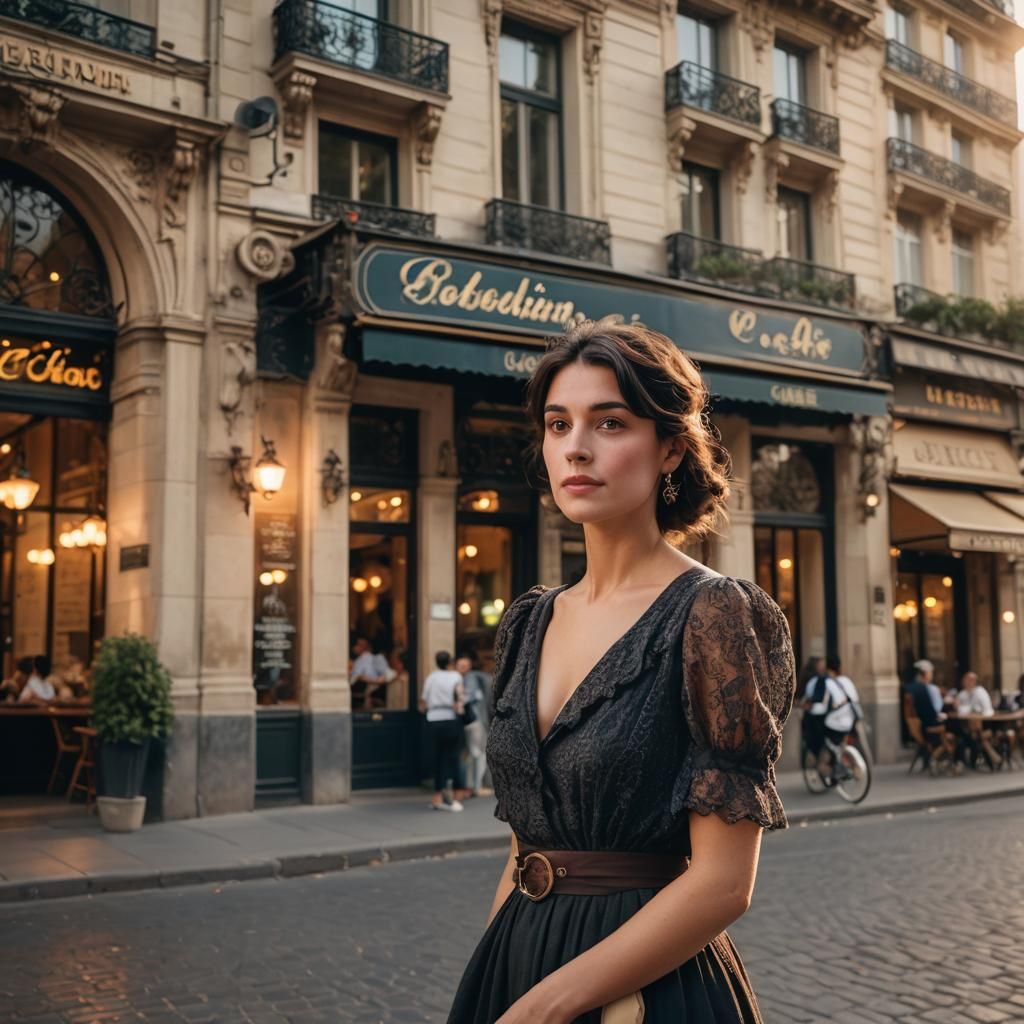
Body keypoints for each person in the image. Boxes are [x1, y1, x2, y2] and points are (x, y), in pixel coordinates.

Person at [449, 317, 796, 1022]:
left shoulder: (713, 615)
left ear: (670, 449)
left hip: (646, 988)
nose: (575, 448)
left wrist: (546, 1008)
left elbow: (725, 884)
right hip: (519, 962)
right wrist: (495, 971)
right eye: (557, 424)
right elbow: (524, 848)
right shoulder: (528, 621)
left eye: (610, 423)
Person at [419, 650, 466, 812]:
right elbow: (460, 700)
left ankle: (438, 796)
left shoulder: (431, 677)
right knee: (452, 756)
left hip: (433, 720)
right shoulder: (455, 677)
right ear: (450, 662)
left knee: (438, 757)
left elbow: (423, 703)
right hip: (450, 719)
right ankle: (453, 795)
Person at [455, 652, 492, 797]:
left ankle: (475, 786)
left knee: (476, 753)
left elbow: (469, 697)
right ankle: (472, 786)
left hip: (474, 720)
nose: (461, 668)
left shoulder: (469, 678)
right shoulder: (462, 679)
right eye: (459, 666)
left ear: (469, 667)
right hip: (472, 721)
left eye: (464, 666)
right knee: (474, 754)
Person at [350, 637, 393, 710]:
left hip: (374, 693)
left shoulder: (377, 658)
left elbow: (389, 675)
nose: (356, 647)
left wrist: (370, 680)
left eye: (358, 645)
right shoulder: (358, 661)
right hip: (363, 695)